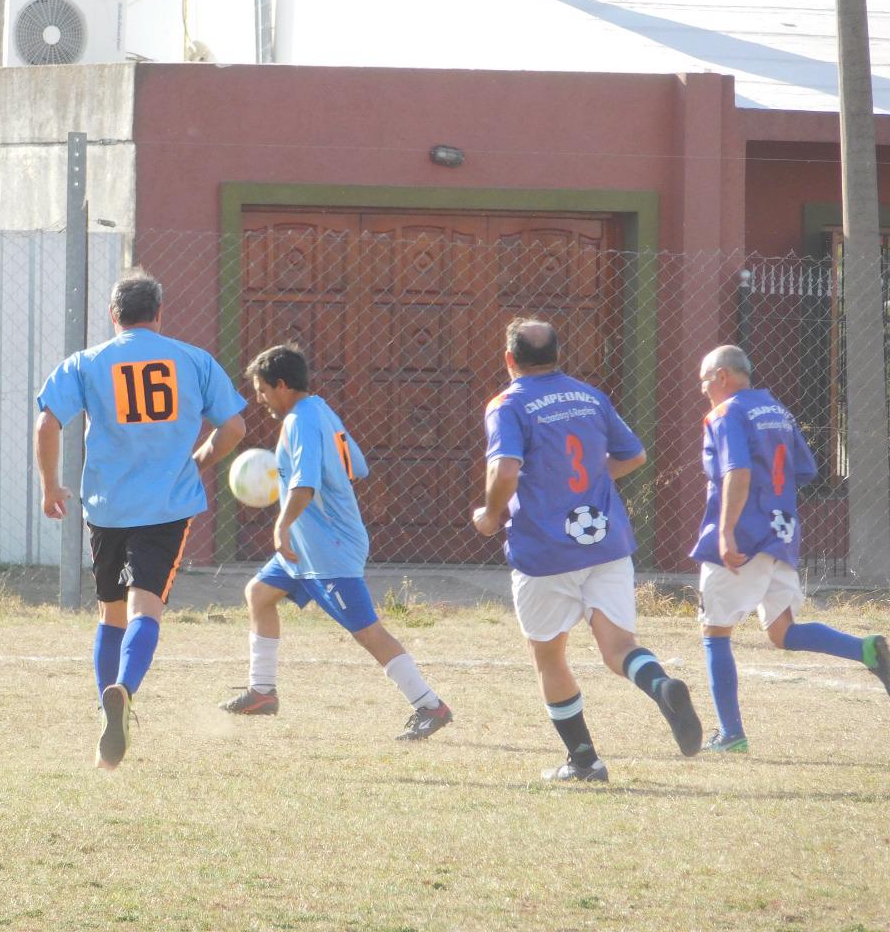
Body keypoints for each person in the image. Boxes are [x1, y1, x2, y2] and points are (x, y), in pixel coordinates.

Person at [472, 318, 702, 783]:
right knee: (619, 649)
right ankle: (661, 685)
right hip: (605, 541)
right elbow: (634, 455)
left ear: (509, 359)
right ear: (559, 355)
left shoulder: (507, 404)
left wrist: (491, 514)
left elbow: (505, 470)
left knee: (549, 656)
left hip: (544, 550)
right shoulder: (590, 396)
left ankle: (584, 761)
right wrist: (588, 482)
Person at [36, 269, 246, 770]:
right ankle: (125, 691)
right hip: (165, 508)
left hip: (107, 507)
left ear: (114, 315)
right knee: (144, 609)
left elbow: (47, 422)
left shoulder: (86, 362)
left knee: (110, 614)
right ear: (159, 314)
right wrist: (200, 460)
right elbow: (235, 427)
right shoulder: (194, 360)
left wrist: (50, 486)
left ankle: (106, 716)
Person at [219, 344, 453, 740]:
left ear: (281, 385)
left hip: (330, 549)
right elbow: (356, 466)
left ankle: (430, 706)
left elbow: (305, 485)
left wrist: (282, 525)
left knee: (367, 632)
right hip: (306, 547)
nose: (259, 399)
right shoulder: (321, 410)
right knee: (259, 594)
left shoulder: (300, 421)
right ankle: (262, 692)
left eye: (261, 390)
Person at [692, 344, 890, 753]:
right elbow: (804, 468)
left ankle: (731, 734)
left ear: (722, 377)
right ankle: (865, 649)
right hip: (781, 531)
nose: (703, 390)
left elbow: (737, 471)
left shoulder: (726, 413)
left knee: (715, 630)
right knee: (783, 632)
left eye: (704, 381)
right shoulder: (775, 409)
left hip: (744, 535)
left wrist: (726, 531)